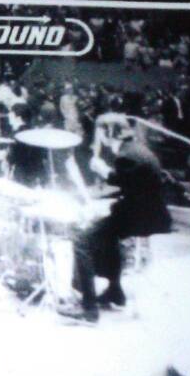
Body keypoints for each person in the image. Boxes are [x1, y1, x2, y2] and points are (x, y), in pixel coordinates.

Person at [62, 135, 171, 323]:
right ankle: (115, 293)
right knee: (108, 235)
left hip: (141, 217)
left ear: (108, 132)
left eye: (100, 135)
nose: (99, 141)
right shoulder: (137, 149)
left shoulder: (125, 156)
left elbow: (119, 180)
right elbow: (132, 184)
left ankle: (89, 309)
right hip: (150, 213)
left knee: (82, 240)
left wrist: (103, 169)